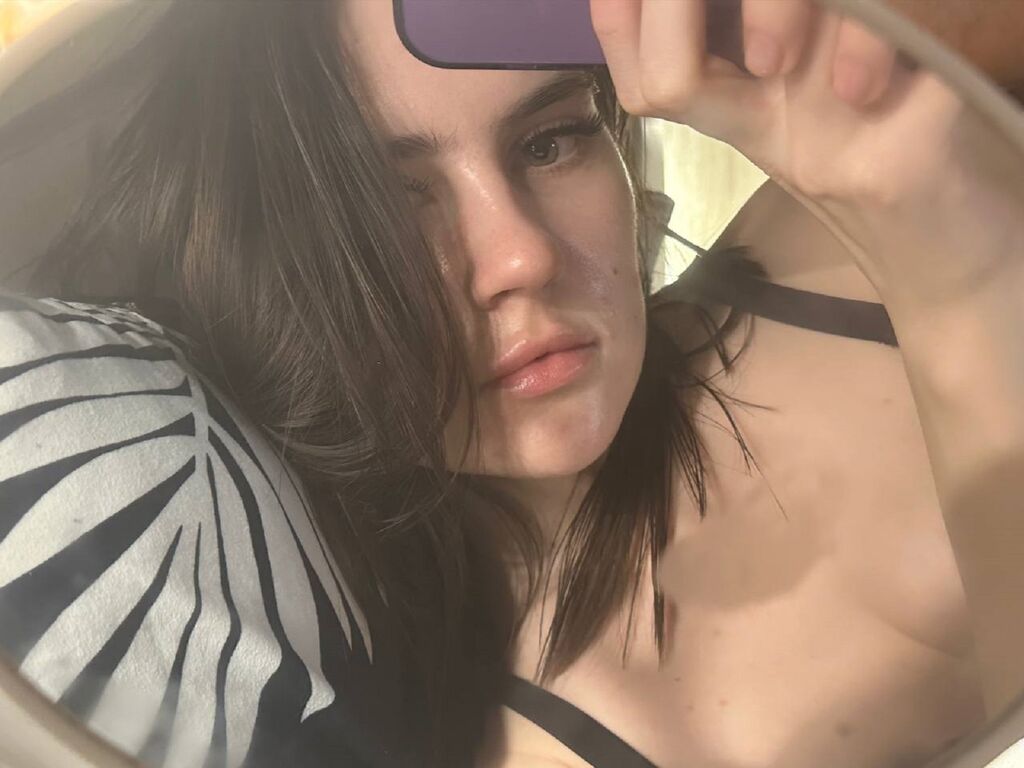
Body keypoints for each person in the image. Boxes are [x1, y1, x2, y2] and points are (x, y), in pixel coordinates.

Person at [14, 0, 1024, 766]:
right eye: (394, 206)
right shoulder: (496, 736)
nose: (519, 258)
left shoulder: (844, 223)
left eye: (549, 141)